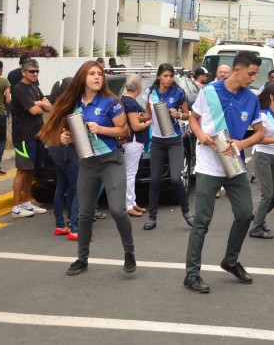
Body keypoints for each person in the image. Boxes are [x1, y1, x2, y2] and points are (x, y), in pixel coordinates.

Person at [40, 61, 135, 276]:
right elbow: (72, 133)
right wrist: (67, 138)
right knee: (84, 214)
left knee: (119, 210)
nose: (96, 77)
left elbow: (124, 132)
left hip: (111, 160)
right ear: (83, 78)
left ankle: (129, 252)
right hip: (88, 163)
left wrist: (102, 128)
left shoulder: (111, 102)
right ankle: (82, 259)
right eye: (91, 74)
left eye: (99, 74)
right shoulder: (74, 105)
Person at [184, 51, 266, 294]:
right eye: (251, 73)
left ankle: (230, 261)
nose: (253, 78)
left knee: (245, 215)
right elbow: (194, 119)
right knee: (202, 221)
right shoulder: (209, 91)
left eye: (256, 74)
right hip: (209, 165)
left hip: (234, 165)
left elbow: (260, 132)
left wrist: (241, 145)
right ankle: (191, 274)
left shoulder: (251, 98)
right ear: (236, 70)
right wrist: (200, 135)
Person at [143, 63, 194, 230]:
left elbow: (187, 115)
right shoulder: (150, 93)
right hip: (157, 141)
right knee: (155, 180)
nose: (169, 79)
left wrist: (179, 114)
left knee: (174, 178)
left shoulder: (179, 92)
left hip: (174, 140)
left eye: (171, 76)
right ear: (159, 76)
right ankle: (152, 217)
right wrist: (141, 117)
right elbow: (149, 115)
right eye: (166, 76)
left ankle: (186, 212)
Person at [9, 58, 51, 218]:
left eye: (37, 71)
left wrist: (38, 104)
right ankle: (16, 206)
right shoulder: (19, 89)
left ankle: (26, 202)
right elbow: (34, 111)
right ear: (23, 72)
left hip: (37, 135)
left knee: (31, 170)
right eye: (32, 71)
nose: (35, 74)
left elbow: (48, 107)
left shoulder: (35, 88)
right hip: (24, 137)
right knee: (22, 170)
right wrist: (41, 104)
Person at [250, 82, 274, 239]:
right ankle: (256, 228)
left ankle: (257, 216)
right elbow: (259, 139)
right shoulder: (263, 115)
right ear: (272, 97)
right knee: (268, 194)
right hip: (262, 155)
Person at [120, 74, 150, 218]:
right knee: (130, 174)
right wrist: (150, 122)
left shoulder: (124, 100)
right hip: (133, 140)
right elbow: (136, 126)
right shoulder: (130, 102)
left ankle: (132, 202)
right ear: (139, 87)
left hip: (131, 141)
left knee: (131, 173)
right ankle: (128, 205)